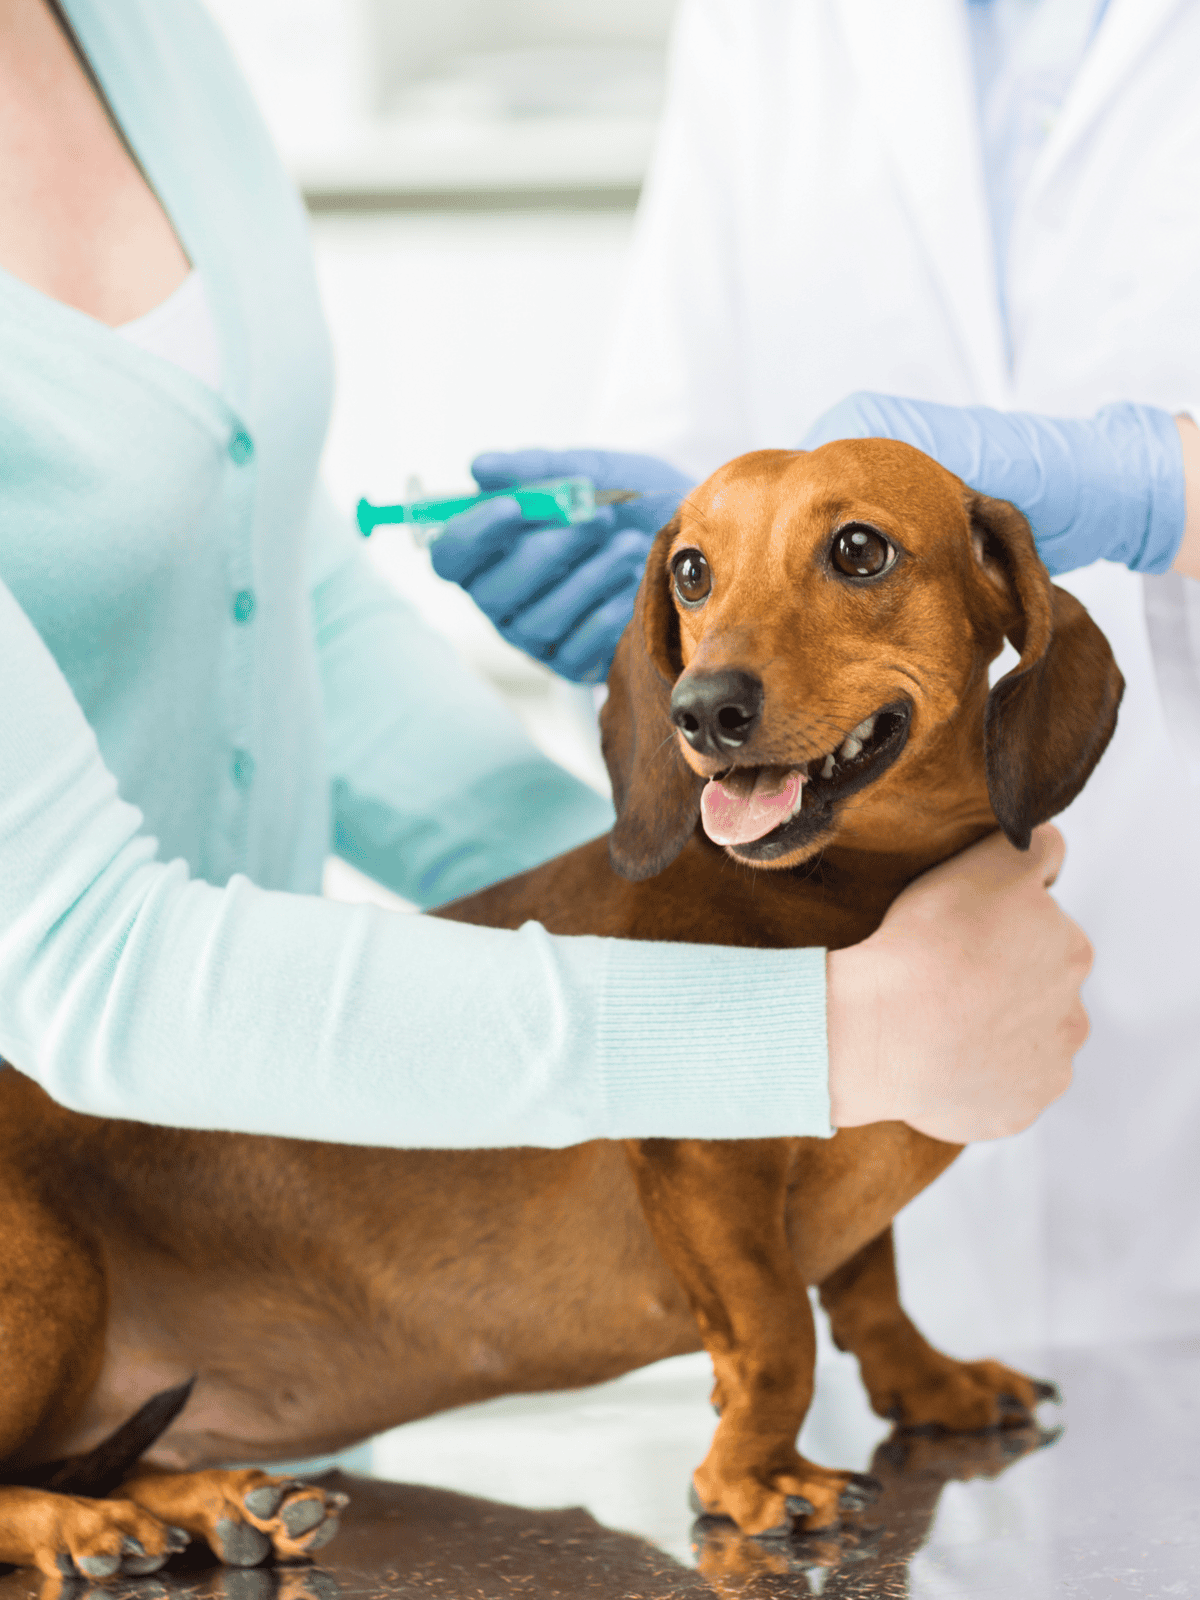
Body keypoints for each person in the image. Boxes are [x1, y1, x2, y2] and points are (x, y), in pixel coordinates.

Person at [0, 0, 1085, 1166]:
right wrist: (829, 1031)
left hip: (213, 1204)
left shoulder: (139, 29)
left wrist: (699, 902)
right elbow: (77, 957)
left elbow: (281, 598)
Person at [436, 0, 1200, 1352]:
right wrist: (662, 620)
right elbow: (683, 443)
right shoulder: (766, 23)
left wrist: (1169, 492)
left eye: (856, 556)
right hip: (852, 1093)